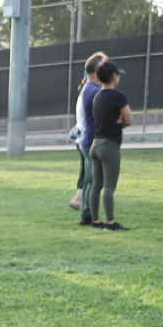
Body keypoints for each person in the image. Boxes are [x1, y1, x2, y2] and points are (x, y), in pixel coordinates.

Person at [79, 61, 132, 231]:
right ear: (114, 76)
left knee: (96, 185)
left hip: (95, 144)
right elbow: (128, 119)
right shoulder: (118, 96)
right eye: (118, 75)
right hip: (110, 145)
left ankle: (95, 220)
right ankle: (110, 223)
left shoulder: (97, 96)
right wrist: (120, 123)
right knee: (109, 187)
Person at [69, 52, 108, 212]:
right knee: (92, 177)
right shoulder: (94, 90)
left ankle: (82, 204)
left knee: (88, 174)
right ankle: (85, 208)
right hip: (89, 139)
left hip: (82, 137)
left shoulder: (88, 88)